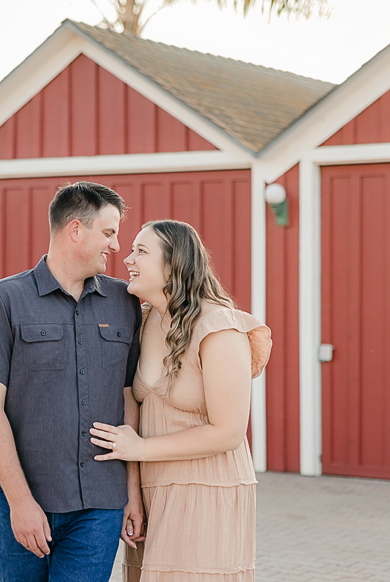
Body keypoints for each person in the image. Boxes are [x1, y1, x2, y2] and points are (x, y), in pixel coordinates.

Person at [0, 181, 145, 582]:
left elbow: (130, 399)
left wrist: (133, 490)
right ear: (75, 230)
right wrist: (20, 501)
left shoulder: (125, 301)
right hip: (28, 499)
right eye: (109, 233)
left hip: (101, 504)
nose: (116, 246)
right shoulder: (3, 300)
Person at [90, 219, 272, 582]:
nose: (127, 259)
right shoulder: (141, 322)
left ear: (175, 264)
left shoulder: (219, 328)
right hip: (152, 492)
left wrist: (140, 448)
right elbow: (133, 408)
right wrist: (133, 495)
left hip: (206, 489)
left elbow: (228, 432)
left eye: (141, 251)